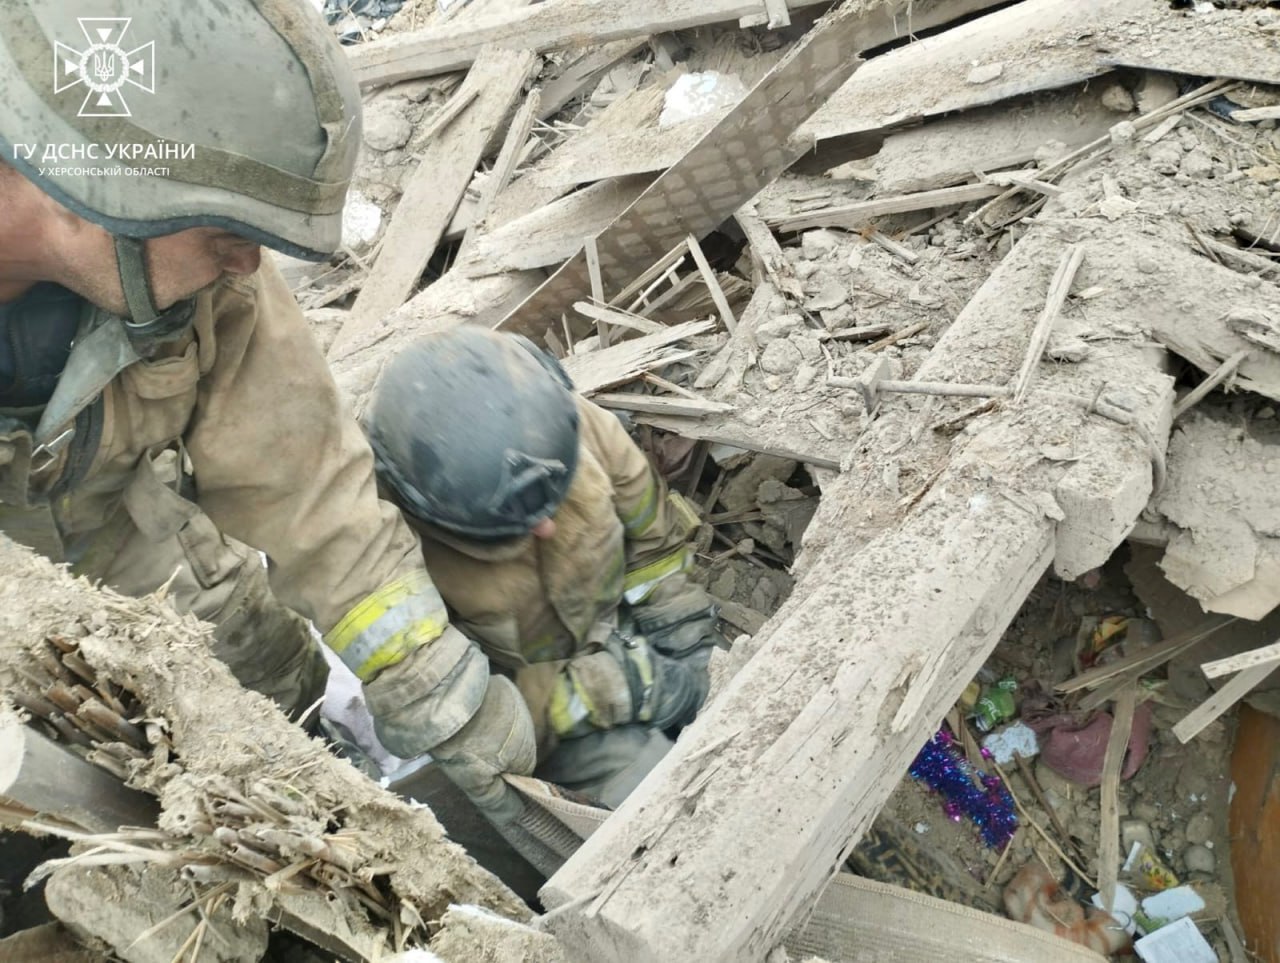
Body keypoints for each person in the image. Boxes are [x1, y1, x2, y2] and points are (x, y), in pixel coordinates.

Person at [0, 0, 535, 830]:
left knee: (281, 697)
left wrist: (432, 684)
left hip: (154, 573)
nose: (247, 263)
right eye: (227, 234)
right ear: (86, 190)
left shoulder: (188, 264)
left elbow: (303, 474)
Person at [366, 327, 726, 806]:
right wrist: (607, 689)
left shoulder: (574, 429)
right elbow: (454, 720)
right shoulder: (382, 549)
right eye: (504, 527)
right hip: (541, 718)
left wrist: (691, 641)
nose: (546, 528)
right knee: (666, 790)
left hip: (627, 640)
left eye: (555, 498)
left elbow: (654, 554)